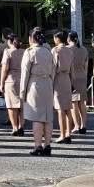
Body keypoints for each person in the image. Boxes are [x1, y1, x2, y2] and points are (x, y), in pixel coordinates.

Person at [21, 28, 55, 157]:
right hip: (48, 83)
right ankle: (47, 145)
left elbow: (25, 74)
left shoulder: (30, 52)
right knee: (48, 117)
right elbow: (53, 70)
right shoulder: (48, 51)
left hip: (35, 84)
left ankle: (38, 145)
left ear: (31, 38)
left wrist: (22, 92)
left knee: (37, 117)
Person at [52, 29, 76, 145]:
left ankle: (62, 134)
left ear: (57, 39)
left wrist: (50, 82)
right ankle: (68, 134)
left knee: (60, 109)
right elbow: (72, 69)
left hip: (58, 78)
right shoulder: (69, 51)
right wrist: (72, 82)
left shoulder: (56, 50)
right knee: (67, 108)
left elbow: (53, 67)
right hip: (67, 79)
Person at [0, 31, 25, 137]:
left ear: (9, 41)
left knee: (11, 106)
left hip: (11, 79)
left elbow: (5, 68)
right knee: (22, 105)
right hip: (23, 79)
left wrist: (1, 83)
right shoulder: (24, 51)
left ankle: (14, 127)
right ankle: (21, 126)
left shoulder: (8, 52)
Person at [69, 31, 90, 134]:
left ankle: (76, 125)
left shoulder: (68, 49)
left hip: (72, 77)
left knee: (74, 103)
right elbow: (86, 66)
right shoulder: (84, 49)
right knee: (82, 102)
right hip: (82, 77)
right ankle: (83, 125)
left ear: (69, 39)